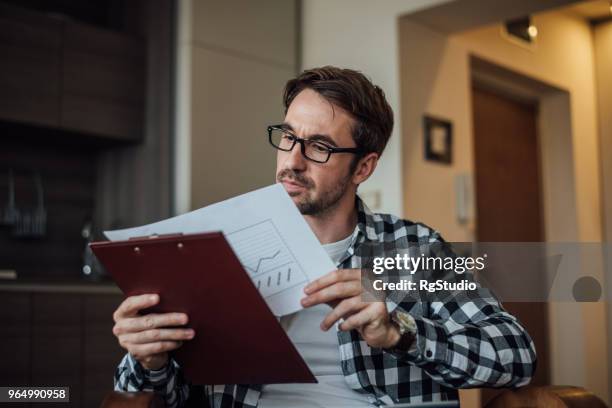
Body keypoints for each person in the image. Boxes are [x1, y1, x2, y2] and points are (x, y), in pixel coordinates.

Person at [112, 66, 536, 407]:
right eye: (288, 137)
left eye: (319, 147)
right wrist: (149, 358)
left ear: (364, 168)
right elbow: (162, 396)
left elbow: (517, 356)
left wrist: (399, 331)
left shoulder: (415, 248)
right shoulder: (212, 248)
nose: (292, 161)